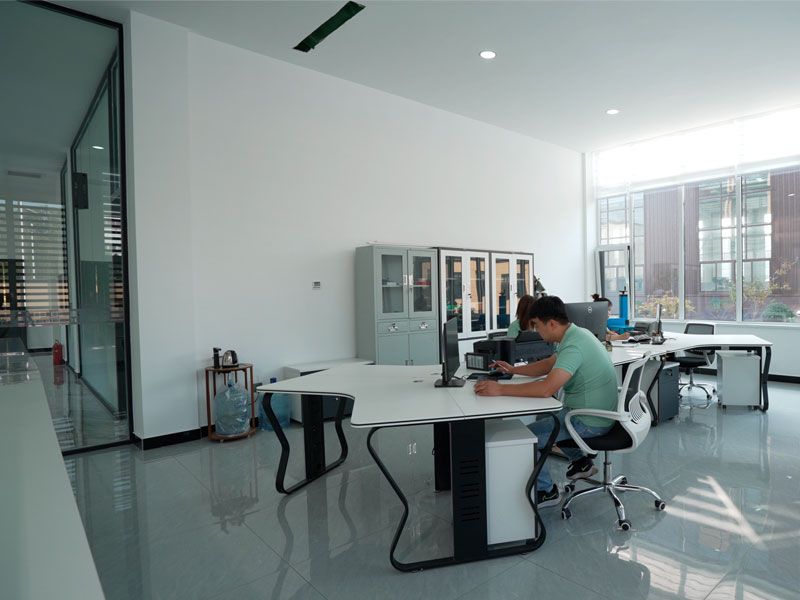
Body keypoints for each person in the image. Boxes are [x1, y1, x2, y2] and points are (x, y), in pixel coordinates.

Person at [474, 295, 618, 507]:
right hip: (592, 414)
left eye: (537, 325)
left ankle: (547, 491)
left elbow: (546, 389)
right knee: (554, 418)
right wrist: (514, 370)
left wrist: (500, 389)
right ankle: (581, 462)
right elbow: (549, 364)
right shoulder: (577, 334)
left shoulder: (574, 346)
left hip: (588, 421)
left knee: (527, 439)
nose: (536, 331)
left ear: (551, 323)